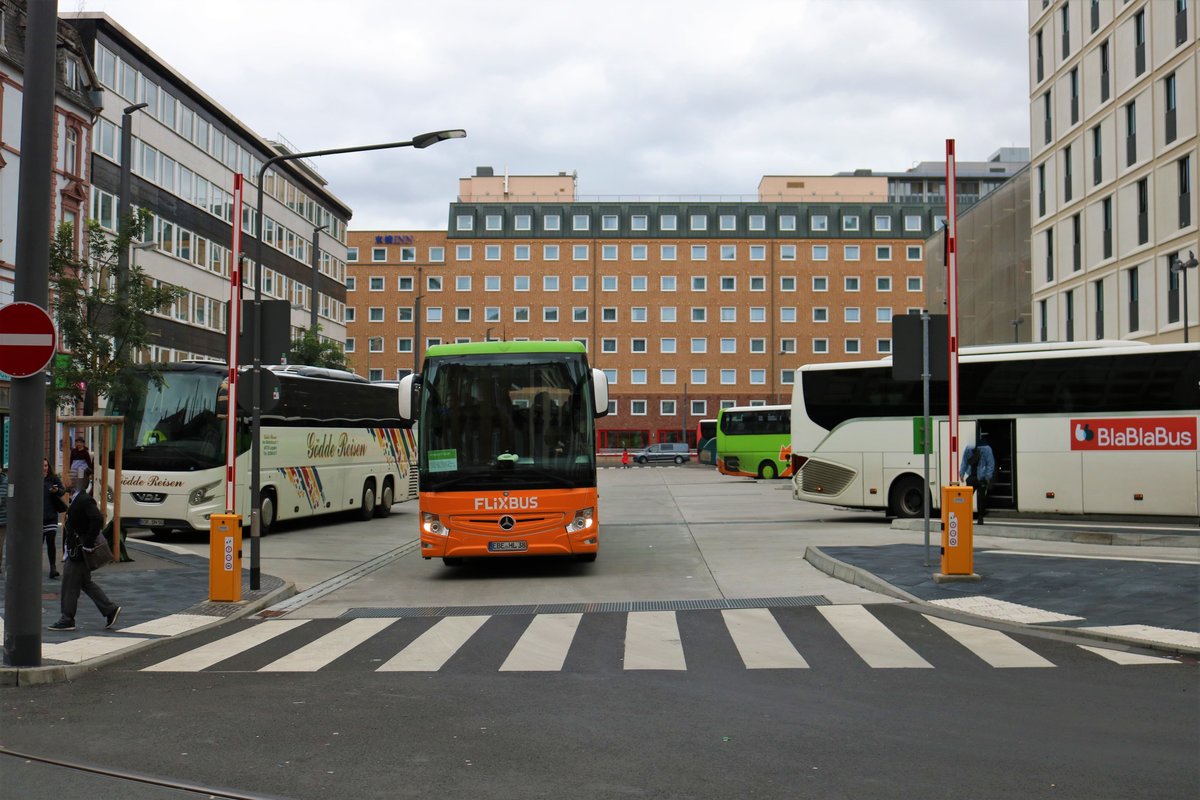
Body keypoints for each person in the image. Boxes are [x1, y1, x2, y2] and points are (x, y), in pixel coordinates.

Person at [49, 467, 121, 632]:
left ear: (76, 483)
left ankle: (67, 618)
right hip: (76, 549)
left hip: (79, 551)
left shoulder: (84, 499)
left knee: (69, 585)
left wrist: (88, 543)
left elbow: (97, 519)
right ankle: (110, 609)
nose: (65, 481)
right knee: (85, 583)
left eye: (68, 478)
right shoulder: (76, 498)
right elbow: (67, 513)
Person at [959, 433, 996, 524]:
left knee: (968, 499)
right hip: (980, 477)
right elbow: (990, 464)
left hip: (973, 477)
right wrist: (988, 476)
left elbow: (964, 461)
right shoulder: (987, 448)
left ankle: (969, 517)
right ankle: (979, 518)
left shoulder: (970, 448)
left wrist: (962, 473)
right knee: (981, 499)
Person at [43, 458, 67, 579]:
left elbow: (63, 491)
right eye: (42, 466)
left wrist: (56, 490)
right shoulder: (33, 479)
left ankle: (53, 568)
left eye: (46, 465)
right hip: (37, 518)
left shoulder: (53, 478)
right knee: (38, 544)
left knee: (51, 541)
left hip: (51, 516)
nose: (44, 468)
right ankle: (35, 567)